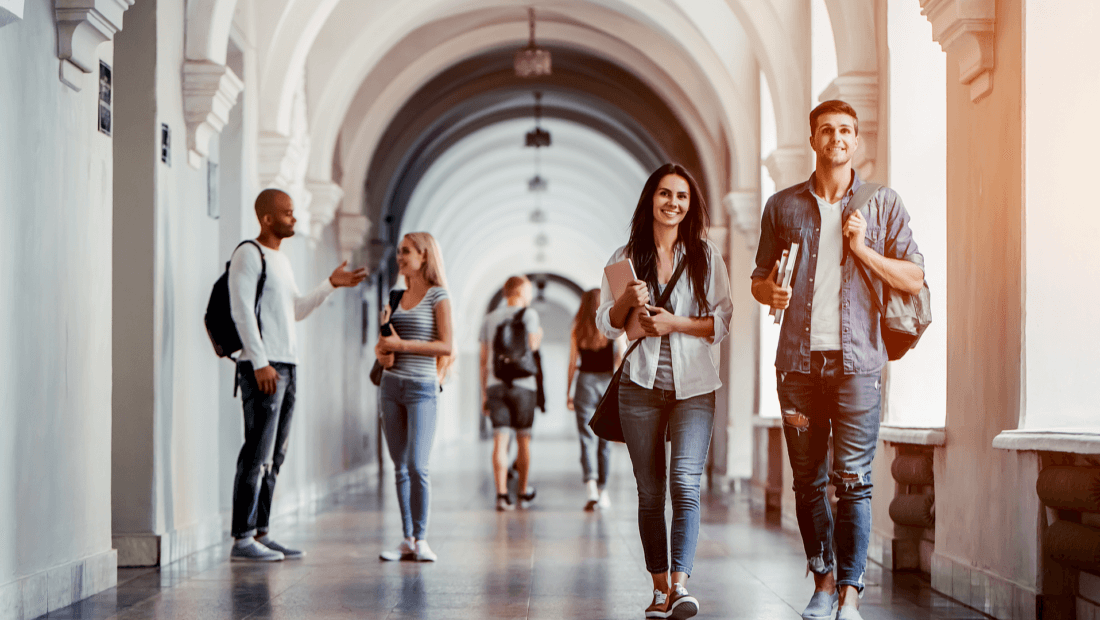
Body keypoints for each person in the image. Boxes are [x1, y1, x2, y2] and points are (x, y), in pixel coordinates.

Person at [751, 100, 924, 620]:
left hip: (859, 365)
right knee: (807, 480)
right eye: (827, 130)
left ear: (856, 140)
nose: (838, 138)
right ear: (814, 140)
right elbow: (759, 278)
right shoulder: (782, 207)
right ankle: (823, 583)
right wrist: (770, 293)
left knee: (853, 480)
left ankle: (850, 592)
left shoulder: (883, 204)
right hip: (798, 366)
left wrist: (864, 249)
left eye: (846, 130)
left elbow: (914, 278)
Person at [596, 163, 733, 620]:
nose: (672, 203)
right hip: (640, 386)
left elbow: (722, 322)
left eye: (681, 196)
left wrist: (674, 323)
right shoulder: (624, 256)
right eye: (664, 194)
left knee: (685, 483)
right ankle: (658, 589)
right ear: (650, 199)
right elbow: (608, 325)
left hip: (695, 388)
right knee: (650, 491)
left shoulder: (707, 257)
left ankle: (680, 584)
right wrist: (627, 301)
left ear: (690, 206)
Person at [228, 188, 367, 562]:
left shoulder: (282, 262)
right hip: (264, 366)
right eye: (287, 213)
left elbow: (297, 310)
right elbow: (241, 311)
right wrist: (259, 362)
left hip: (287, 364)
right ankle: (242, 538)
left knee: (276, 454)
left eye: (294, 212)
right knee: (256, 451)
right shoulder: (249, 254)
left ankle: (261, 531)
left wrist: (330, 285)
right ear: (266, 218)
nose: (295, 218)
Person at [375, 232, 453, 563]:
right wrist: (384, 350)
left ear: (424, 256)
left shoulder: (439, 296)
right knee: (399, 467)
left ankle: (422, 538)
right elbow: (384, 346)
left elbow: (447, 346)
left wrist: (402, 346)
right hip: (390, 386)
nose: (400, 257)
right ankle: (406, 538)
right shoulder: (394, 296)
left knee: (418, 465)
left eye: (406, 251)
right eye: (398, 251)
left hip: (422, 387)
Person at [480, 275, 542, 511]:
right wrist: (539, 335)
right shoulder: (530, 314)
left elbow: (483, 359)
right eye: (528, 291)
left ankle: (502, 495)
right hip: (524, 385)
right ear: (520, 292)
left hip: (496, 385)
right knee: (523, 440)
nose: (531, 295)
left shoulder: (489, 319)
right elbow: (533, 346)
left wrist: (484, 394)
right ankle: (523, 492)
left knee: (499, 441)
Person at [565, 288, 620, 511]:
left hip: (584, 384)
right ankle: (603, 491)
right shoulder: (614, 327)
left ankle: (591, 488)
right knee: (605, 441)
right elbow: (621, 359)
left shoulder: (577, 328)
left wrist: (567, 393)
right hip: (607, 384)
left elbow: (572, 364)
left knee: (586, 438)